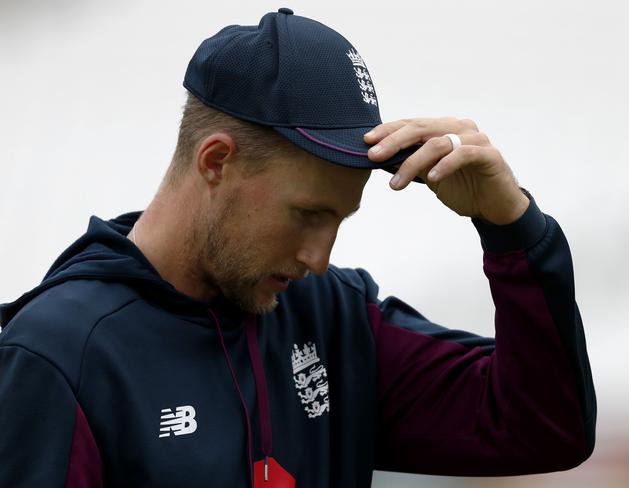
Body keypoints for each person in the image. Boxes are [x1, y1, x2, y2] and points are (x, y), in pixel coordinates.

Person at [0, 8, 595, 488]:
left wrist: (512, 228)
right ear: (216, 162)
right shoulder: (60, 354)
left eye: (339, 220)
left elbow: (545, 426)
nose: (318, 257)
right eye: (308, 214)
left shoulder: (330, 318)